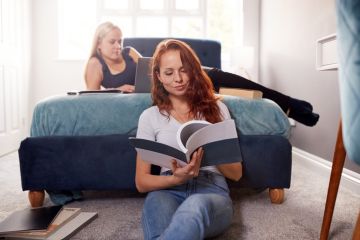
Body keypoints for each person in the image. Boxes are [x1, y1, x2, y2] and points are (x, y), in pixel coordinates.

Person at [84, 21, 319, 127]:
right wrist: (119, 90)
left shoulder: (129, 52)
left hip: (183, 75)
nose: (118, 45)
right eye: (112, 41)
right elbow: (94, 99)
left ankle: (289, 104)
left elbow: (156, 68)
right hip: (170, 86)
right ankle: (292, 106)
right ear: (99, 43)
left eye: (120, 40)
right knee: (219, 87)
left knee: (222, 77)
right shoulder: (95, 65)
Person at [135, 39, 242, 240]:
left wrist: (212, 148)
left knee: (194, 207)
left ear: (193, 70)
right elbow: (141, 182)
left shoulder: (218, 109)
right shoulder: (149, 116)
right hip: (168, 188)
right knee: (159, 227)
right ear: (158, 76)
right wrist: (177, 178)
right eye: (169, 73)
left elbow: (236, 174)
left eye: (184, 70)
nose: (178, 78)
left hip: (211, 188)